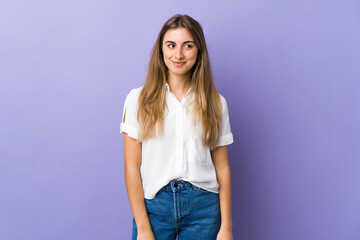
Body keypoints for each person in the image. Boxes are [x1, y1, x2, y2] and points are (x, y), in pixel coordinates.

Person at [120, 14, 234, 240]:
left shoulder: (215, 103)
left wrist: (226, 228)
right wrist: (143, 227)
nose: (178, 54)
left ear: (198, 50)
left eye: (188, 46)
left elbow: (222, 169)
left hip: (204, 209)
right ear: (161, 50)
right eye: (171, 45)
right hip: (154, 208)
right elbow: (132, 167)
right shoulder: (138, 99)